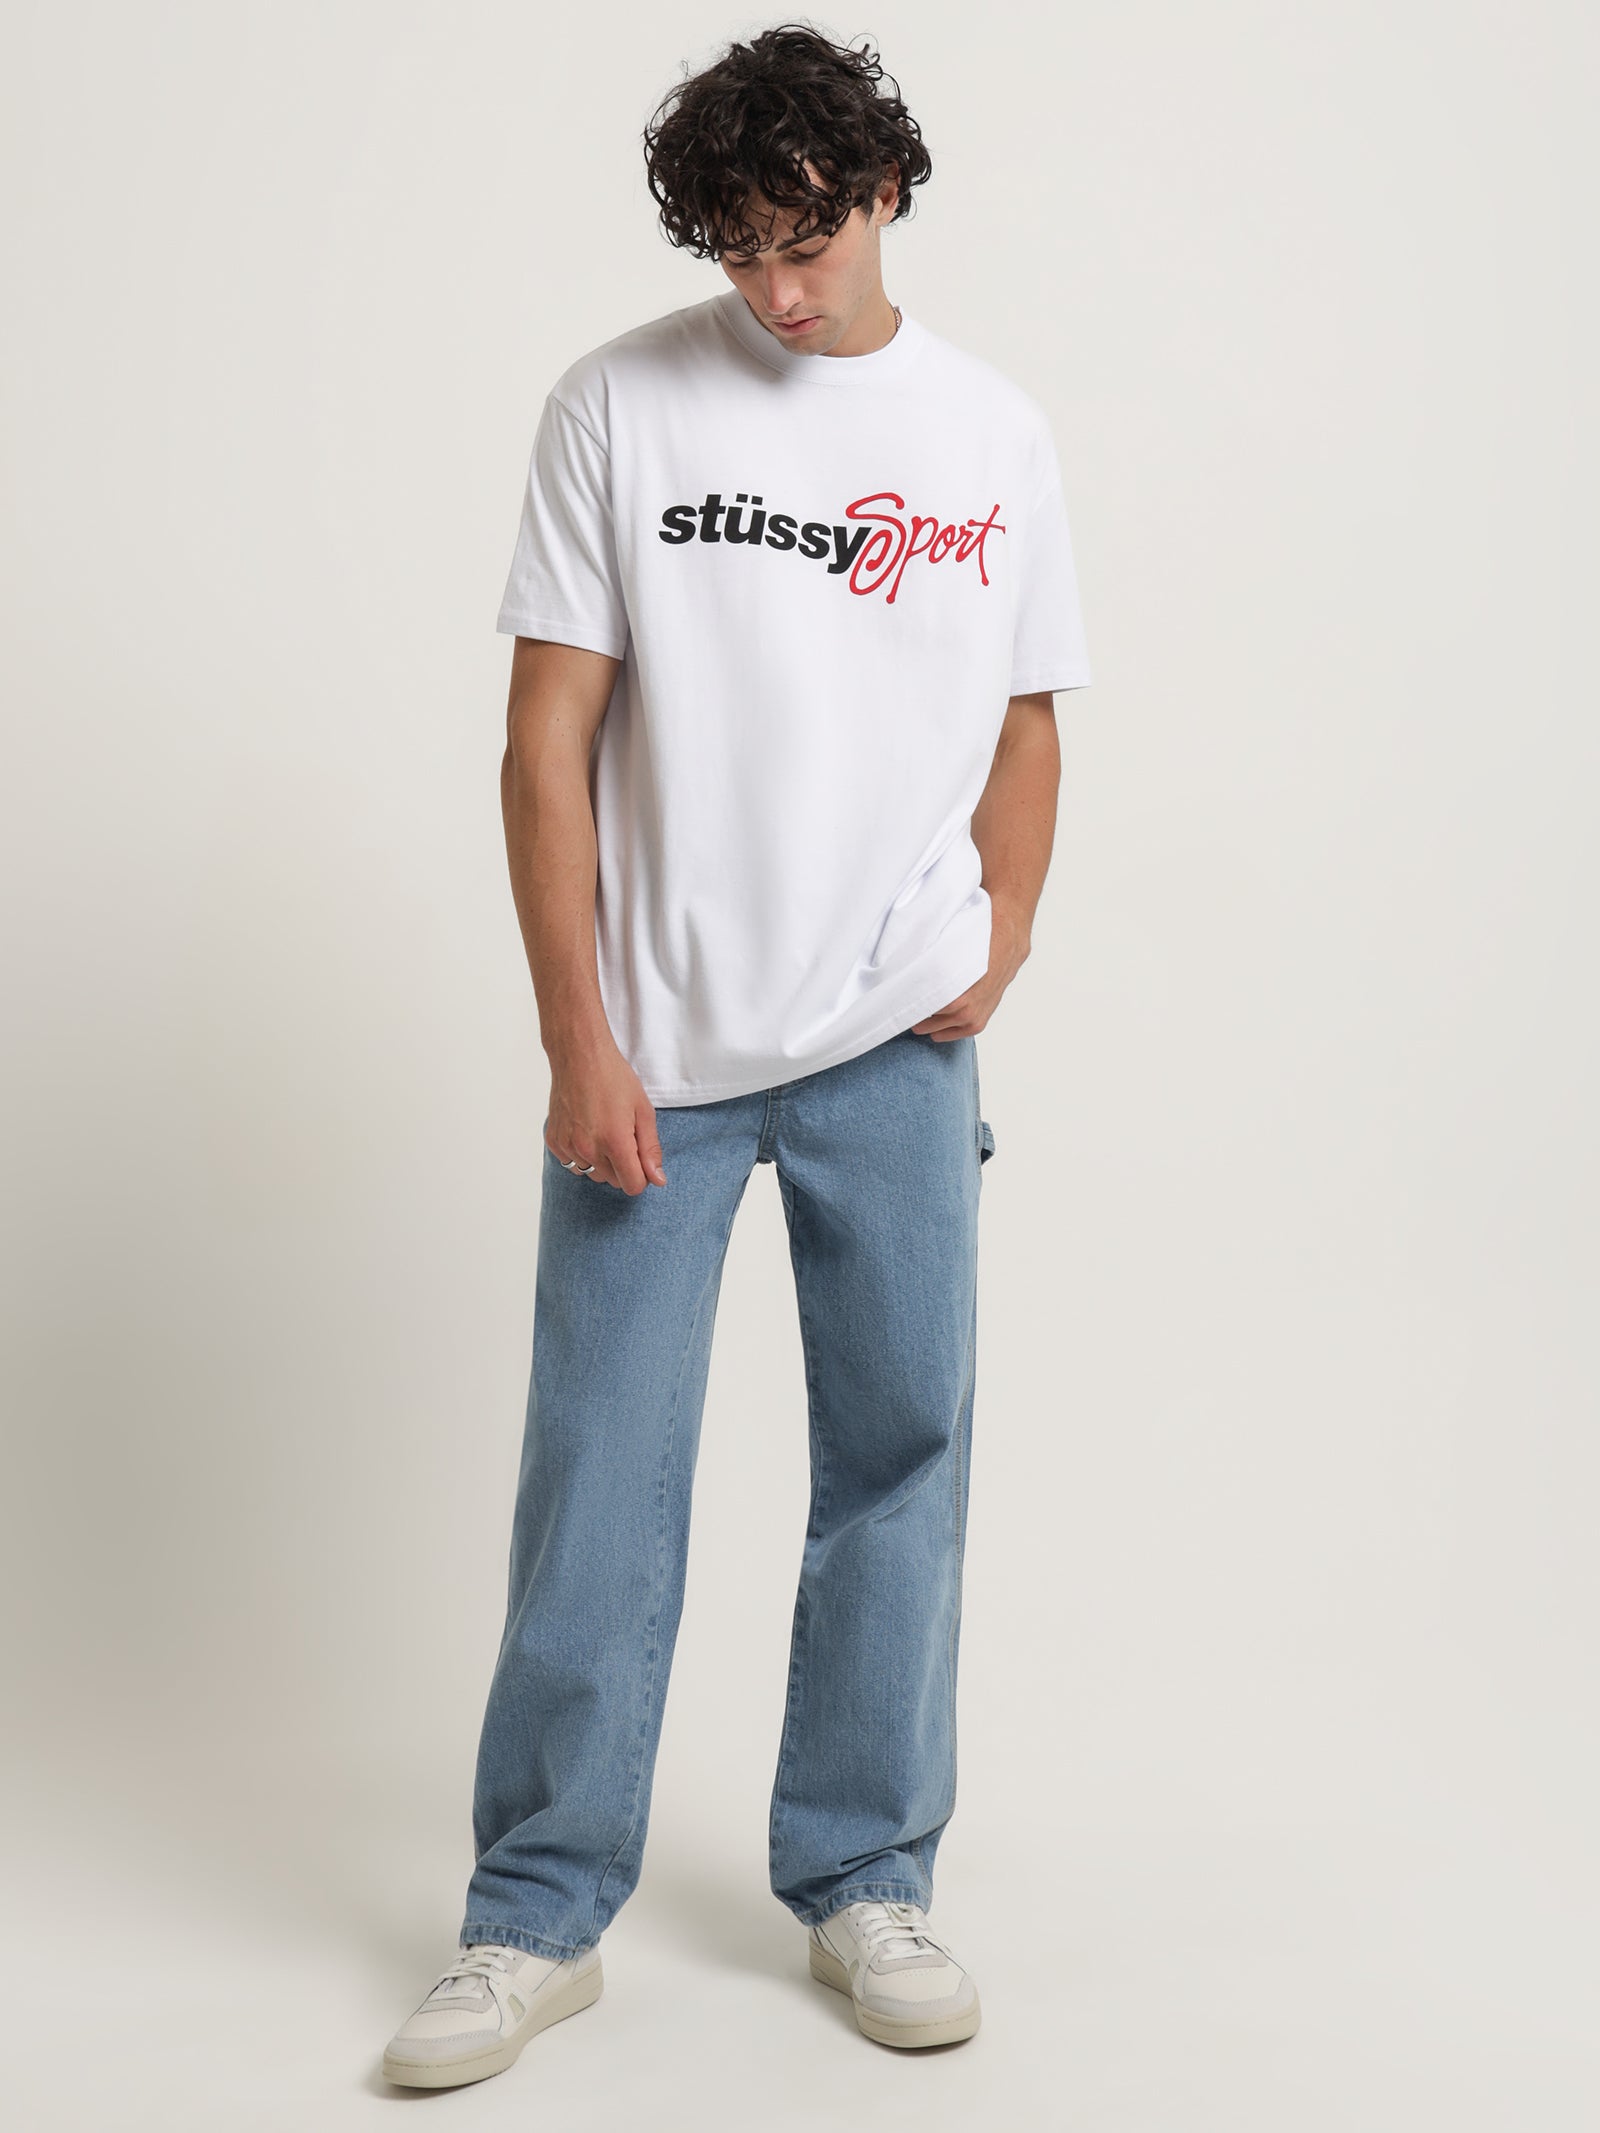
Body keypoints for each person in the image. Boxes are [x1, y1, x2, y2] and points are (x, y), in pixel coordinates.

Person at [381, 22, 1091, 2086]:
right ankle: (534, 1912)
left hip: (892, 1040)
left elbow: (1027, 715)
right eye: (738, 249)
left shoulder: (989, 433)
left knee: (900, 1462)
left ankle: (866, 1873)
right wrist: (576, 1039)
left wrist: (1005, 935)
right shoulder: (616, 404)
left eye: (808, 237)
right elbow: (545, 741)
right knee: (597, 1478)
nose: (775, 286)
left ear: (886, 194)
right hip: (658, 1049)